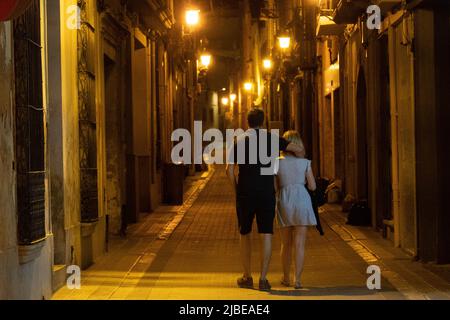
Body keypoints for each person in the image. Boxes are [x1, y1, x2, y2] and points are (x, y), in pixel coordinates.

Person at [226, 108, 304, 291]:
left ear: (247, 122)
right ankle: (263, 278)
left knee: (244, 233)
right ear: (263, 122)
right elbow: (299, 149)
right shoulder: (273, 139)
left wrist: (236, 190)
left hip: (245, 193)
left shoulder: (238, 141)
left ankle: (247, 276)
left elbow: (229, 170)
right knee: (266, 233)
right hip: (267, 193)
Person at [274, 130, 317, 289]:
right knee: (300, 244)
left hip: (284, 200)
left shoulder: (276, 162)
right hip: (302, 200)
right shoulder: (305, 162)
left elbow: (274, 187)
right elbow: (312, 186)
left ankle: (286, 278)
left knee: (285, 244)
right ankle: (297, 280)